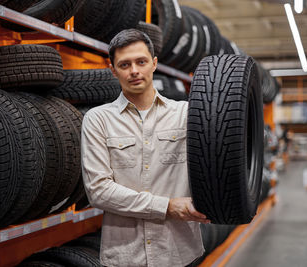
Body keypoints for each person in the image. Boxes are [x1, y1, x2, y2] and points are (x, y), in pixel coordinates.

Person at [81, 29, 210, 267]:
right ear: (113, 70)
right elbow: (98, 190)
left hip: (179, 253)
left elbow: (214, 164)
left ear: (154, 64)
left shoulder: (186, 114)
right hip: (125, 256)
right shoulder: (97, 119)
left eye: (141, 62)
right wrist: (167, 207)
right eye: (124, 64)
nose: (134, 71)